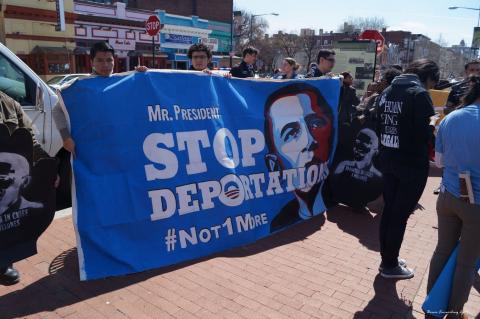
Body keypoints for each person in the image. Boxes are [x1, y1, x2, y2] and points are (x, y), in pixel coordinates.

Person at [376, 59, 439, 279]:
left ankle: (388, 257)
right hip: (411, 164)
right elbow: (428, 131)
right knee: (400, 214)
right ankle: (390, 265)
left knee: (390, 210)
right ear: (429, 77)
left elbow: (377, 124)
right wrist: (436, 119)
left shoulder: (387, 92)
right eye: (432, 83)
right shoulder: (420, 95)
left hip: (388, 158)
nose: (431, 87)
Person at [426, 75, 480, 319]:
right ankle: (454, 312)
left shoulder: (451, 118)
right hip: (476, 206)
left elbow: (439, 161)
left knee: (442, 251)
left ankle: (433, 308)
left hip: (447, 196)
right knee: (466, 262)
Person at [53, 41, 147, 155]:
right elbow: (57, 110)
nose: (105, 65)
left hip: (120, 146)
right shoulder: (80, 87)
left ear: (114, 61)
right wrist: (65, 138)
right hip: (93, 149)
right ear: (92, 62)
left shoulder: (122, 84)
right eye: (100, 60)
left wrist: (142, 76)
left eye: (109, 60)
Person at [263, 83, 334, 232]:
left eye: (315, 123)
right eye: (291, 133)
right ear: (274, 165)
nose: (309, 141)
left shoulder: (336, 196)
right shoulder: (276, 223)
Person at [0, 91, 53, 285]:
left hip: (5, 178)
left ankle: (4, 263)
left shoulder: (10, 104)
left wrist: (47, 167)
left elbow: (31, 140)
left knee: (8, 217)